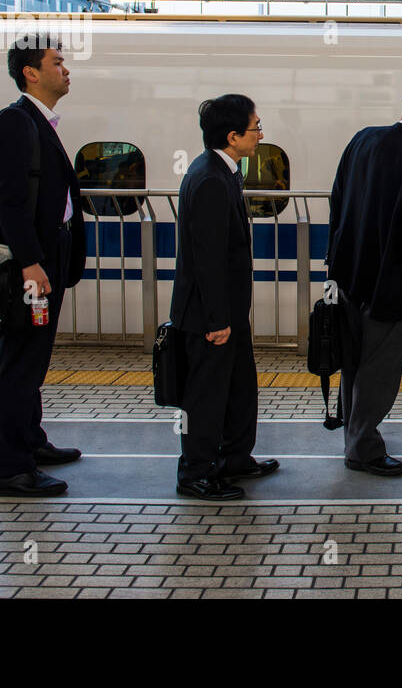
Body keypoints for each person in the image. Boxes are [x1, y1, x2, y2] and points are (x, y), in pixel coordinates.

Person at [0, 36, 87, 497]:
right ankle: (11, 469)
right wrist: (30, 263)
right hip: (32, 268)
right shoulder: (14, 122)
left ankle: (31, 441)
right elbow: (9, 200)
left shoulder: (40, 122)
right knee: (20, 361)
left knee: (34, 355)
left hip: (47, 260)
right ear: (31, 73)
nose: (66, 70)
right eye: (57, 63)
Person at [326, 79, 402, 476]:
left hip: (347, 273)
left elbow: (337, 201)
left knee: (352, 356)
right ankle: (362, 447)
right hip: (390, 282)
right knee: (379, 366)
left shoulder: (361, 141)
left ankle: (353, 430)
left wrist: (334, 263)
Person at [169, 94, 278, 501]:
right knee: (207, 395)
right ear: (233, 136)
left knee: (238, 387)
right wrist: (217, 320)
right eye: (256, 127)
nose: (261, 134)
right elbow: (208, 259)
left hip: (229, 309)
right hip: (209, 314)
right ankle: (196, 473)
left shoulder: (222, 171)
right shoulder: (211, 179)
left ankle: (235, 457)